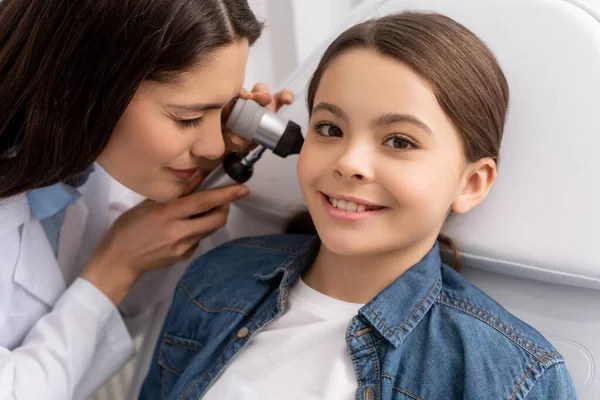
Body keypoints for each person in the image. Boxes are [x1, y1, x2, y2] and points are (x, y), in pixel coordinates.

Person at [140, 11, 577, 400]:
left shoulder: (513, 378)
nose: (349, 162)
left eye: (399, 141)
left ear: (471, 183)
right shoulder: (214, 281)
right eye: (329, 129)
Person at [0, 0, 294, 399]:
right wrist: (116, 266)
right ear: (85, 86)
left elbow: (116, 316)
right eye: (188, 118)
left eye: (224, 111)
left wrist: (207, 179)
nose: (212, 145)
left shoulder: (80, 164)